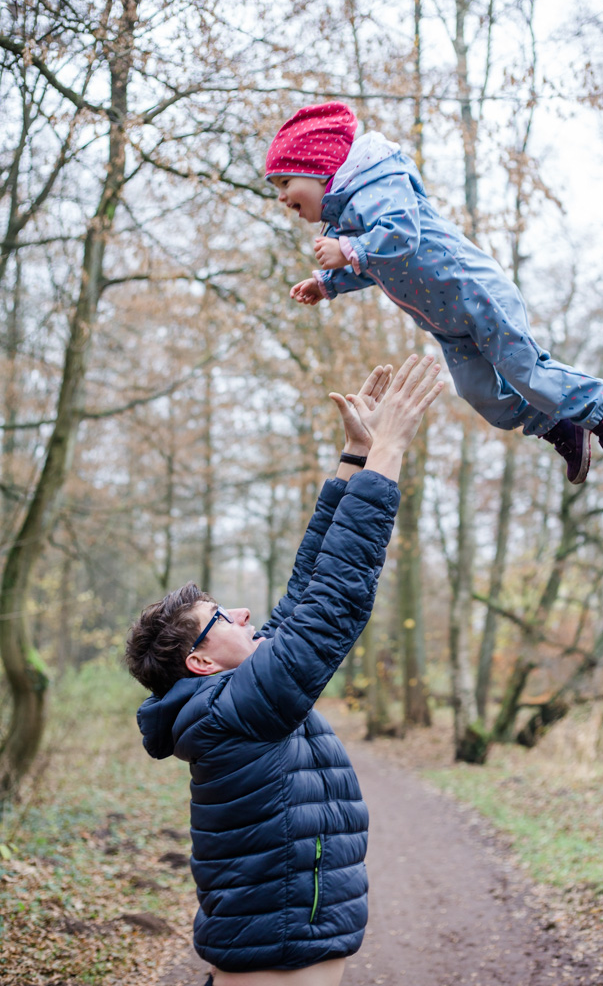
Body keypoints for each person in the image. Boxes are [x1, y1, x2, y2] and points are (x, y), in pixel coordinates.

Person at [125, 355, 444, 986]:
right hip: (278, 949)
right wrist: (390, 454)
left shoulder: (230, 697)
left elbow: (303, 593)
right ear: (200, 661)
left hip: (279, 940)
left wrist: (353, 459)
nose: (246, 613)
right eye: (223, 617)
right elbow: (332, 603)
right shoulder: (237, 708)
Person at [265, 101, 603, 486]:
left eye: (284, 183)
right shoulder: (345, 220)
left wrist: (349, 251)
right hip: (449, 326)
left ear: (319, 169)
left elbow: (402, 233)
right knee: (480, 394)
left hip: (476, 293)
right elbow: (377, 267)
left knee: (525, 371)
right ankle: (559, 425)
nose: (281, 198)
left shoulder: (377, 185)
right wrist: (329, 283)